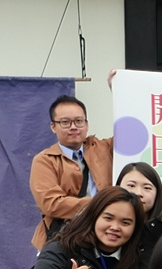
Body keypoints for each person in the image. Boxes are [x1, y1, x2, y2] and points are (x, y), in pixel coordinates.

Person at [29, 95, 112, 249]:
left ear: (87, 125)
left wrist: (116, 87)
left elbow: (132, 131)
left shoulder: (104, 148)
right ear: (53, 126)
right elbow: (51, 204)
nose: (74, 127)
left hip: (107, 235)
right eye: (65, 122)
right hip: (64, 238)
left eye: (79, 121)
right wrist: (102, 205)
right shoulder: (44, 160)